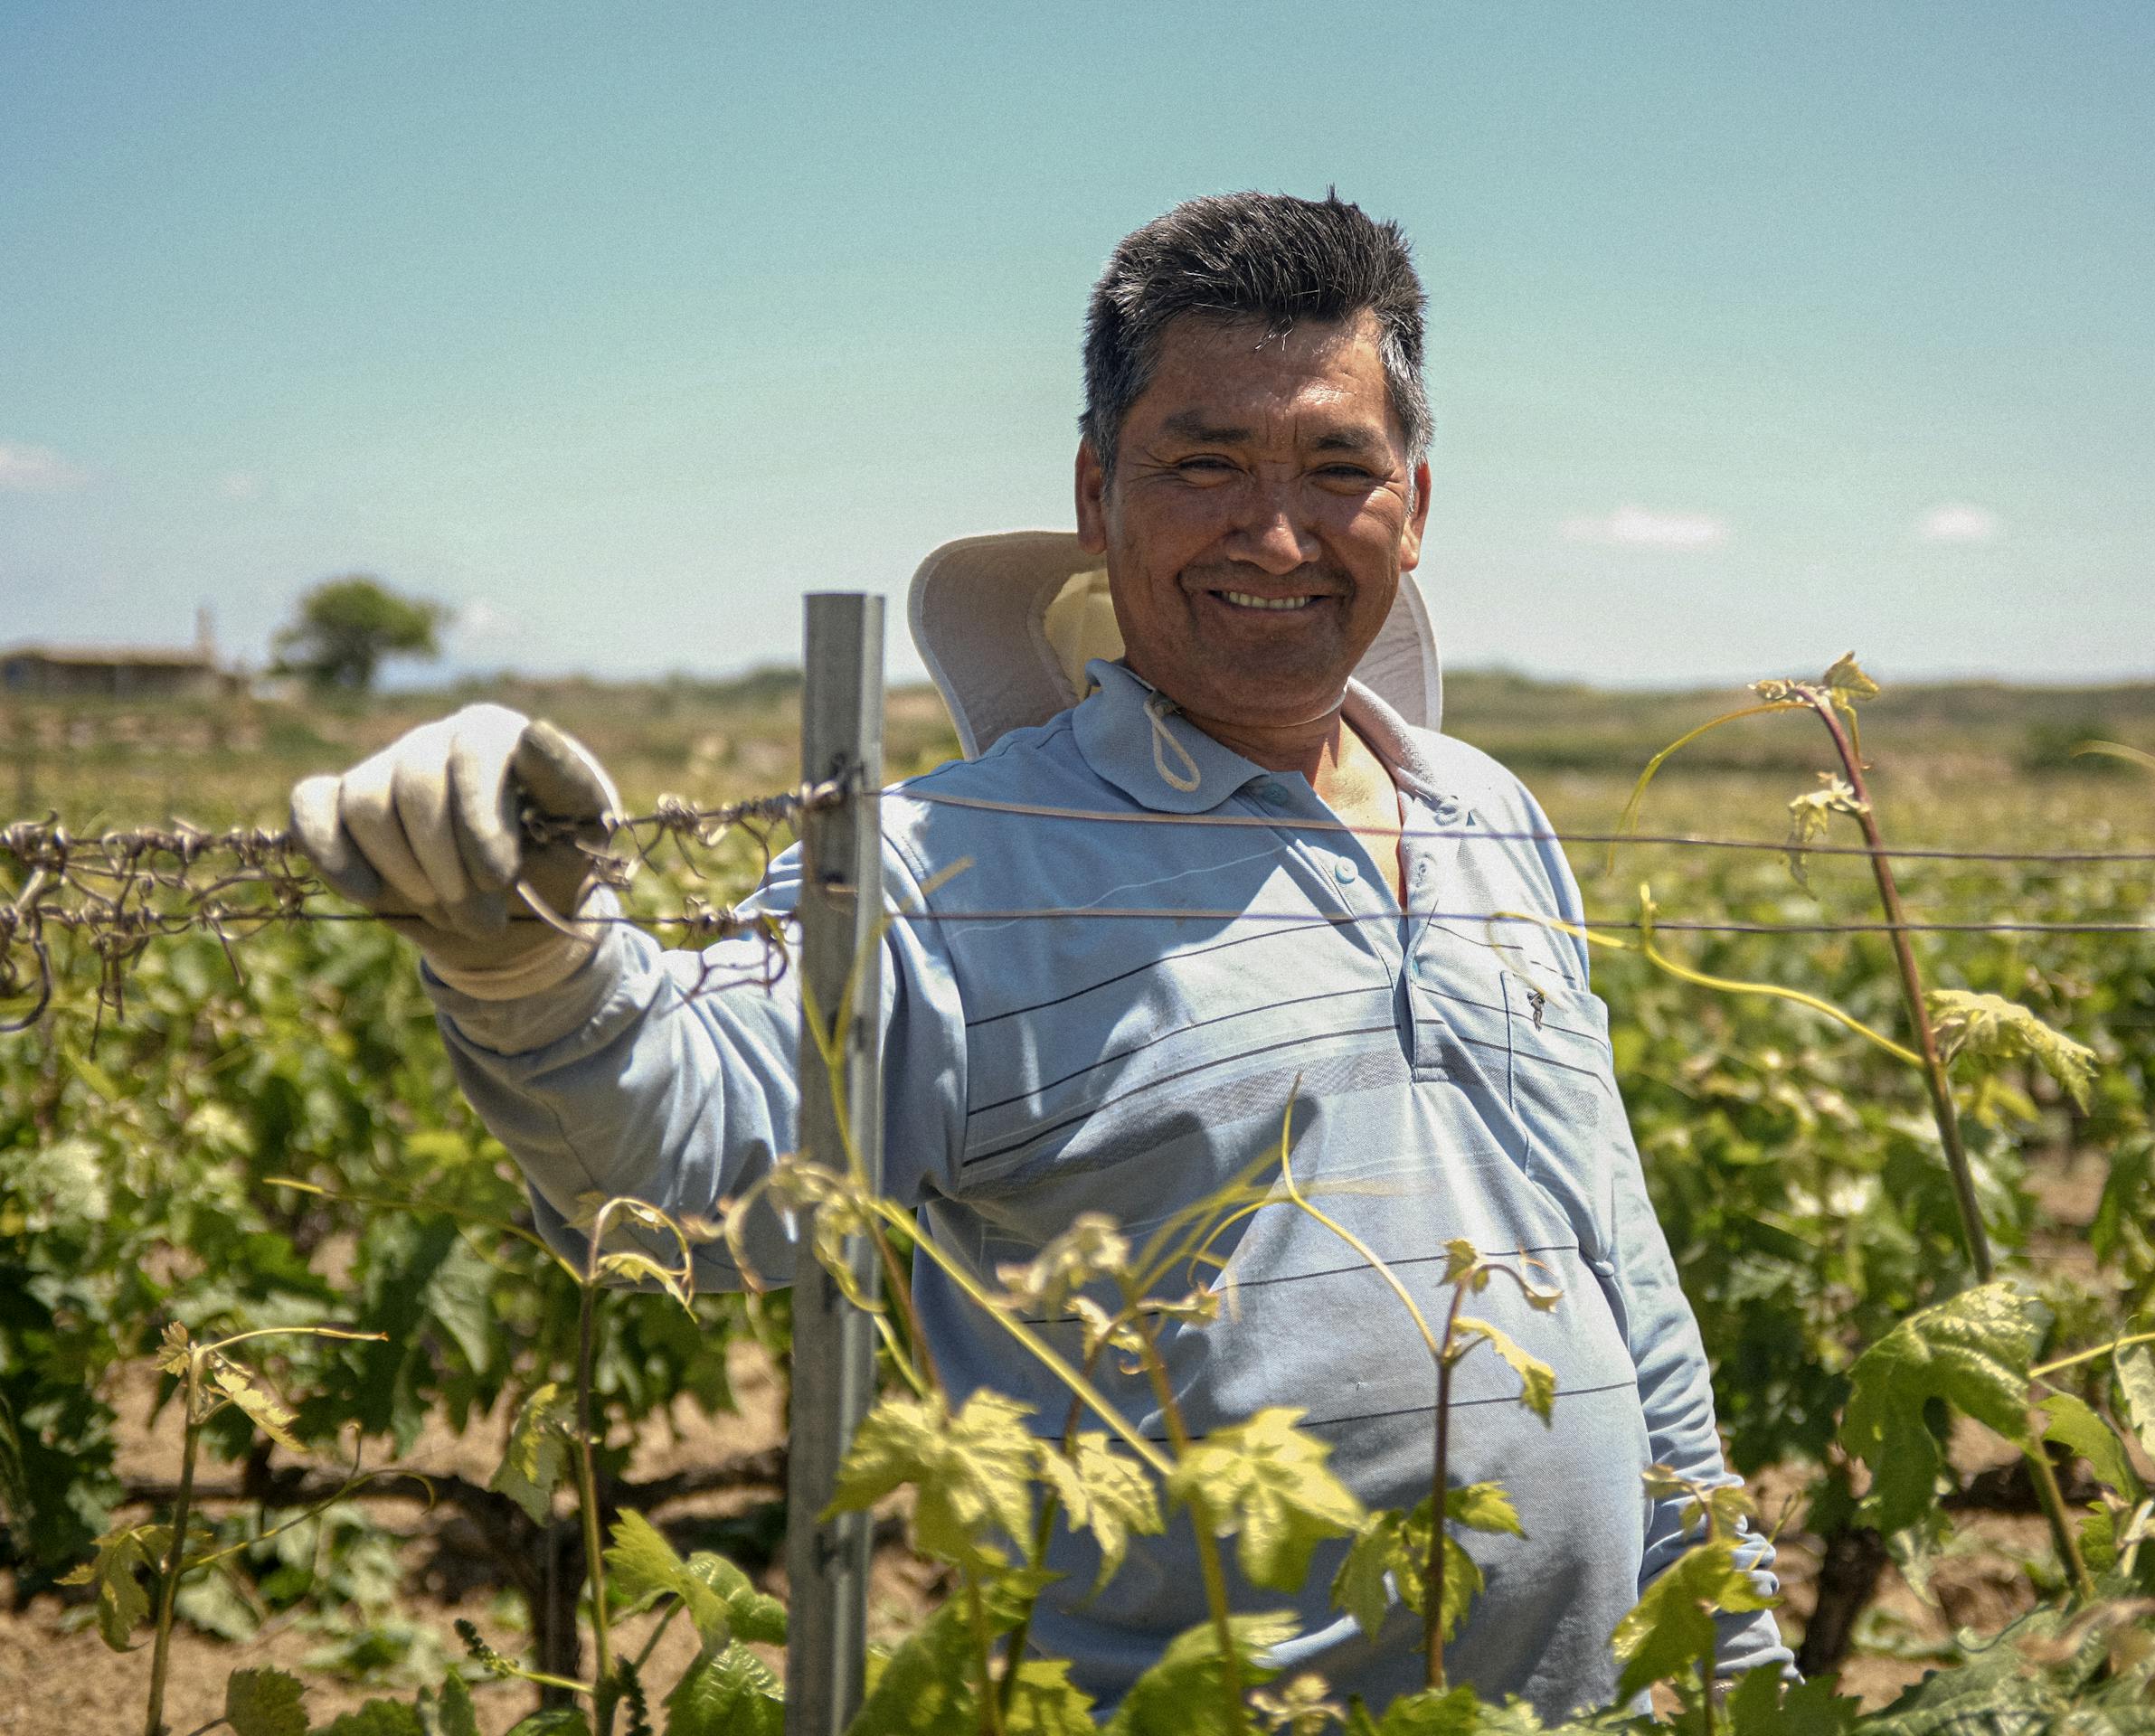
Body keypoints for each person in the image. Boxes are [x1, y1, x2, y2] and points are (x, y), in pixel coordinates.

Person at [288, 191, 1790, 1718]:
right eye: (1203, 464)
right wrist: (527, 964)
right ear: (1096, 492)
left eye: (1338, 467)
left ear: (1413, 504)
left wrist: (1732, 1639)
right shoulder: (947, 868)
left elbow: (1621, 1264)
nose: (1276, 530)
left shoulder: (1487, 811)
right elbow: (691, 1173)